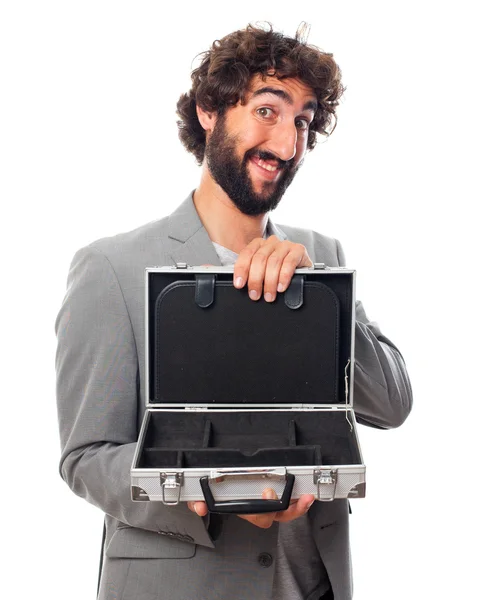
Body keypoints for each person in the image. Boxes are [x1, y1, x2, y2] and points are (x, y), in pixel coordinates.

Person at [55, 23, 412, 600]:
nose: (288, 143)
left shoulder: (321, 256)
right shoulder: (110, 268)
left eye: (301, 120)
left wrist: (317, 294)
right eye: (268, 111)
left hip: (309, 586)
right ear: (209, 111)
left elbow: (392, 405)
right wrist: (203, 490)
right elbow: (87, 456)